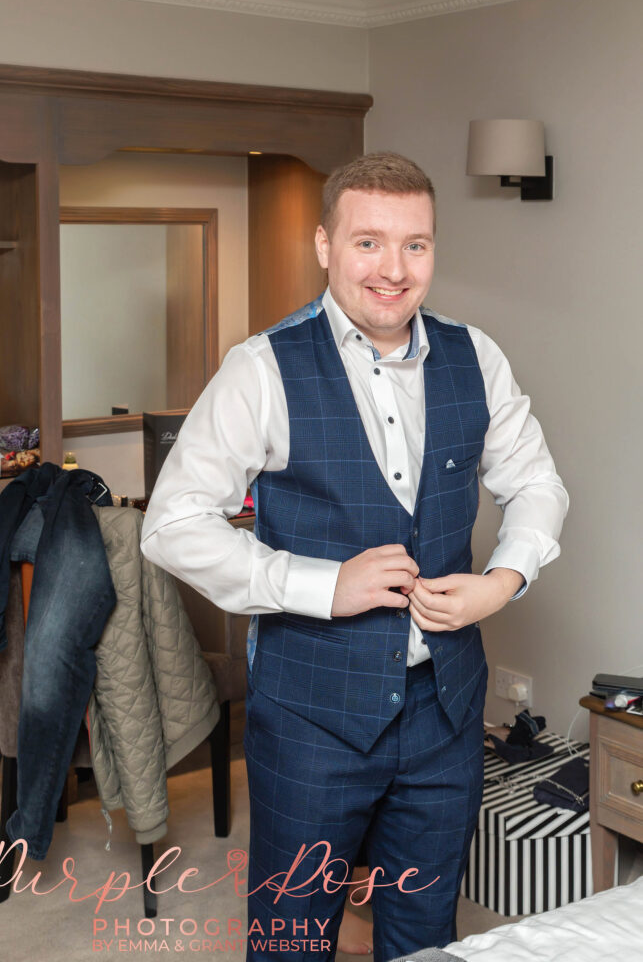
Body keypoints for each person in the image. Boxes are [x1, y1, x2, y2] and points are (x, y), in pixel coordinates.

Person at [141, 152, 568, 962]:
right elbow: (169, 523)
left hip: (443, 714)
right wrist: (318, 584)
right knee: (292, 941)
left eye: (415, 245)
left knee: (422, 936)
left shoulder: (475, 356)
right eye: (368, 242)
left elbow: (538, 484)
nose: (393, 270)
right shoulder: (262, 367)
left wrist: (500, 582)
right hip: (310, 719)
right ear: (324, 246)